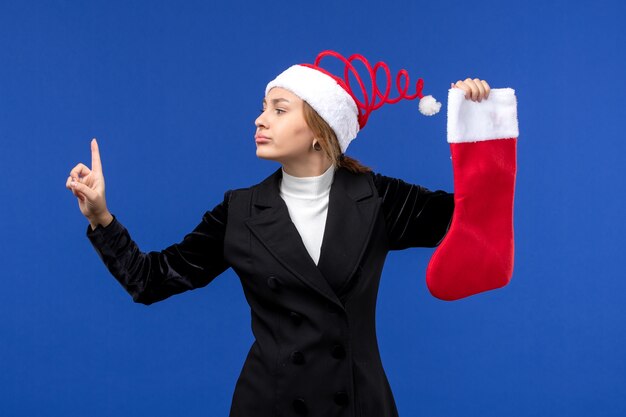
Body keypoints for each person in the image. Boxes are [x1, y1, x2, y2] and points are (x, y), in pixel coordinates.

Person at [66, 51, 518, 417]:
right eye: (263, 109)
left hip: (359, 405)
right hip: (269, 405)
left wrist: (477, 120)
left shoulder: (377, 198)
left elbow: (476, 217)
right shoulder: (238, 211)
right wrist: (101, 216)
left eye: (278, 110)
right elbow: (151, 279)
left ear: (320, 131)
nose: (260, 120)